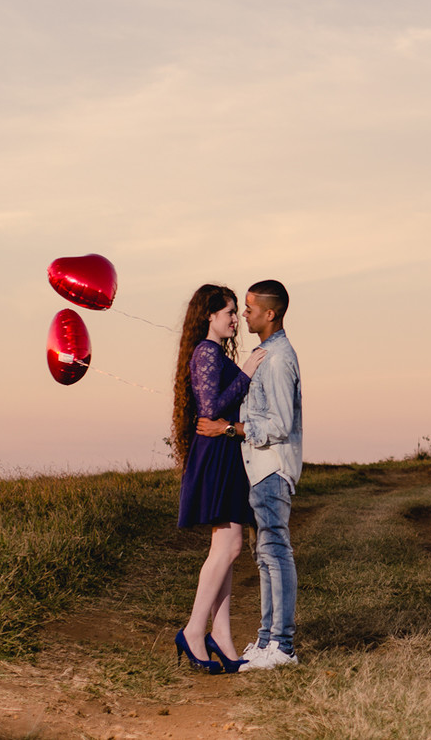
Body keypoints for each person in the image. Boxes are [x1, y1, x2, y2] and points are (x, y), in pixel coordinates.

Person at [199, 279, 302, 671]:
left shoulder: (277, 359)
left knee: (276, 553)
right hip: (257, 468)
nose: (244, 314)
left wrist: (228, 429)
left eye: (249, 308)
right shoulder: (264, 353)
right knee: (265, 556)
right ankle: (265, 640)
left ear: (269, 313)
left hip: (272, 465)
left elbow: (277, 424)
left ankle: (284, 646)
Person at [171, 284, 266, 674]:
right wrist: (246, 371)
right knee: (225, 549)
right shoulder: (207, 352)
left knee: (230, 548)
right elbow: (211, 407)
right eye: (228, 312)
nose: (235, 319)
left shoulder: (211, 352)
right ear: (208, 316)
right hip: (216, 454)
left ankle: (221, 636)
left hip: (225, 453)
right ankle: (194, 630)